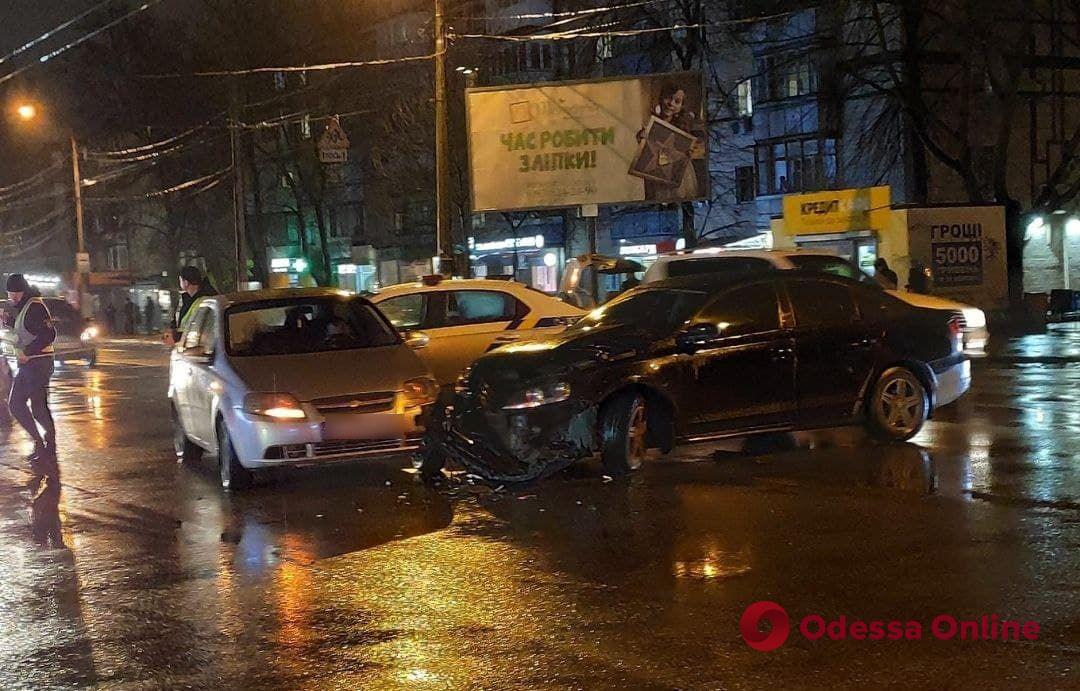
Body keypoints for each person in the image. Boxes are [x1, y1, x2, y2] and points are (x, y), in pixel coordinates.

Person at [2, 274, 57, 462]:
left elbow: (49, 334)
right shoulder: (26, 307)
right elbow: (27, 330)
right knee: (32, 406)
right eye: (10, 294)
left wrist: (29, 351)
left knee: (26, 405)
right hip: (30, 364)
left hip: (38, 363)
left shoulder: (35, 306)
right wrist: (8, 322)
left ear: (23, 291)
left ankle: (46, 444)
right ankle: (43, 444)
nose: (12, 298)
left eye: (15, 293)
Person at [164, 266, 216, 346]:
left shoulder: (205, 301)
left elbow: (200, 328)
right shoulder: (186, 300)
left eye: (180, 280)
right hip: (186, 346)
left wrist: (176, 336)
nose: (180, 283)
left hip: (197, 347)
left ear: (186, 282)